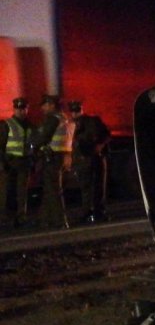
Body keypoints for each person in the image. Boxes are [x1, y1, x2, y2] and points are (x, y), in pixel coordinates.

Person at [32, 94, 74, 229]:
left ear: (51, 105)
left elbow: (43, 137)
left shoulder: (52, 119)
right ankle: (44, 219)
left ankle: (60, 221)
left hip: (53, 157)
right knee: (50, 189)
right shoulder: (66, 118)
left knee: (54, 190)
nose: (42, 108)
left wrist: (32, 144)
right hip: (63, 156)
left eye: (44, 105)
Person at [69, 100, 112, 222]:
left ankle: (95, 213)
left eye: (77, 110)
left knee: (95, 187)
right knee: (89, 188)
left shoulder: (91, 121)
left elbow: (107, 135)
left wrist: (100, 145)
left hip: (94, 158)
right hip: (84, 159)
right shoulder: (72, 124)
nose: (75, 113)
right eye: (73, 111)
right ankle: (91, 213)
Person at [1, 97, 35, 229]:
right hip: (9, 162)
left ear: (27, 109)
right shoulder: (6, 124)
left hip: (24, 162)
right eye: (19, 109)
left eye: (24, 109)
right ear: (14, 109)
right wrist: (2, 163)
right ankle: (4, 219)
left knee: (22, 192)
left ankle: (21, 218)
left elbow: (33, 145)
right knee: (5, 192)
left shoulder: (30, 126)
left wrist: (33, 160)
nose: (21, 111)